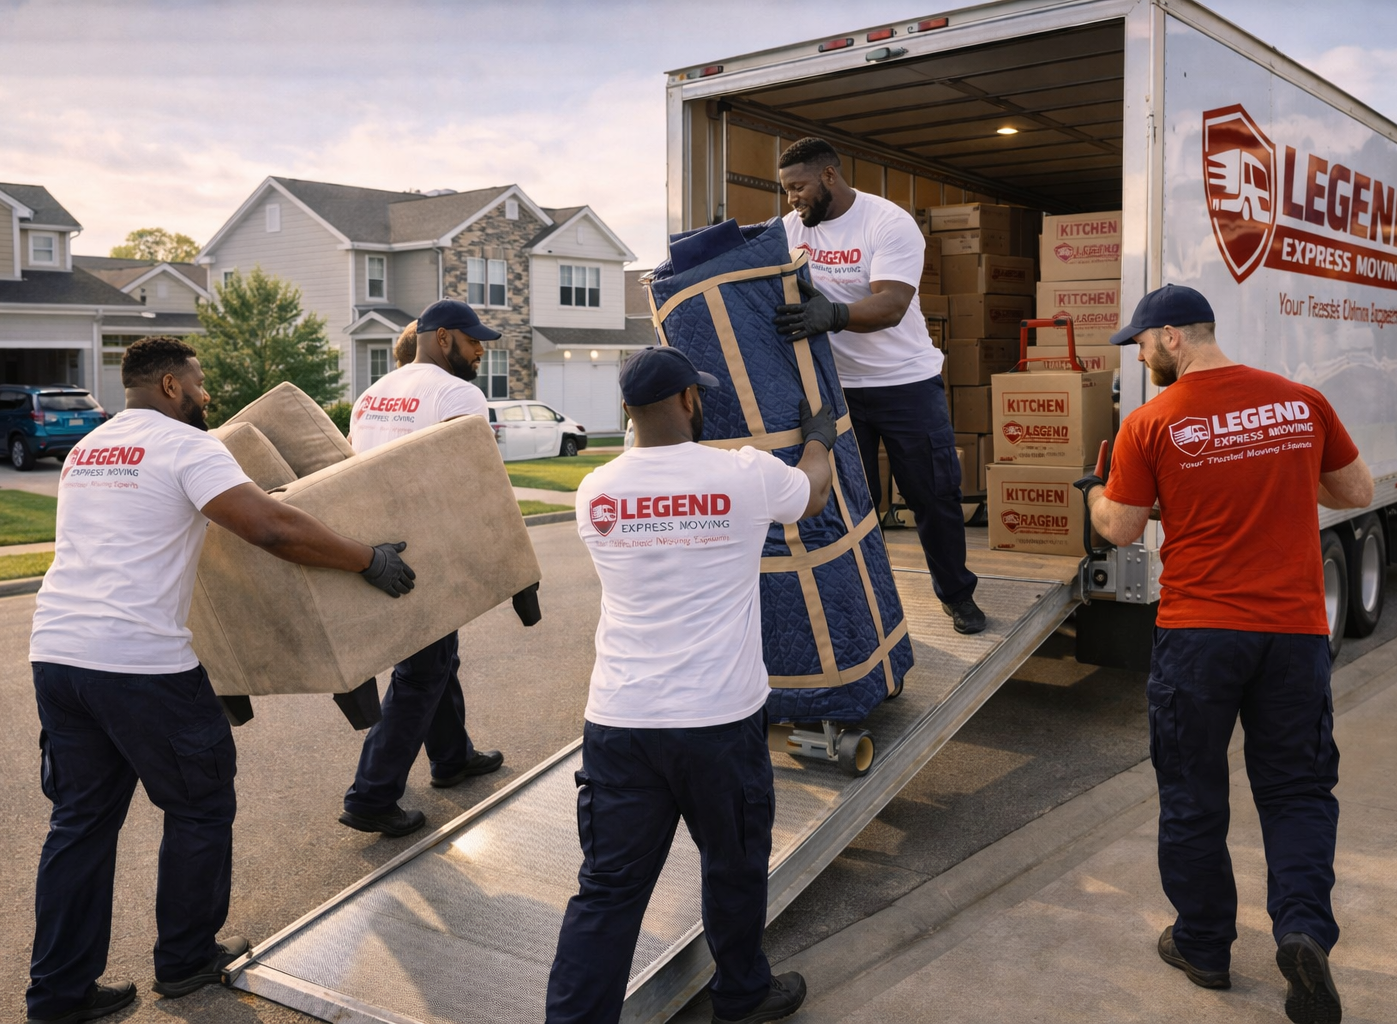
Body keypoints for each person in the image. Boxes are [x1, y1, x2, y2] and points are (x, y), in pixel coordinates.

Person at [26, 336, 415, 1024]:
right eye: (201, 383)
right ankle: (185, 960)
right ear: (173, 386)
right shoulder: (186, 444)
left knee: (81, 823)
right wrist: (364, 558)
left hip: (58, 654)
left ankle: (59, 994)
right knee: (200, 803)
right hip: (140, 662)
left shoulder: (89, 448)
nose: (208, 397)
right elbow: (267, 526)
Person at [1077, 285, 1373, 1024]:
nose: (1140, 358)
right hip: (1295, 632)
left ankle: (1205, 946)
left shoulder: (1152, 422)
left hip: (1200, 635)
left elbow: (1119, 530)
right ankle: (1302, 928)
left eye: (1141, 345)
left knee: (1192, 789)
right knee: (1298, 791)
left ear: (1172, 336)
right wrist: (1276, 479)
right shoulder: (1300, 402)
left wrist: (1092, 491)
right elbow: (1355, 488)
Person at [545, 346, 833, 1024]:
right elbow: (812, 495)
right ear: (690, 400)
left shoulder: (596, 491)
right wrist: (819, 437)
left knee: (608, 891)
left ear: (627, 411)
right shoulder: (744, 476)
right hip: (718, 722)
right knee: (732, 866)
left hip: (621, 722)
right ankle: (741, 996)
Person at [774, 137, 984, 634]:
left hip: (905, 383)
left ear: (829, 176)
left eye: (798, 187)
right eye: (785, 191)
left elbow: (890, 305)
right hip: (838, 390)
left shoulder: (887, 222)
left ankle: (957, 596)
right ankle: (865, 611)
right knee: (851, 504)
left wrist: (835, 314)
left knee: (932, 496)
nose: (792, 200)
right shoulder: (788, 230)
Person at [338, 300, 507, 839]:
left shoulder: (372, 393)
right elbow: (471, 479)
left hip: (380, 550)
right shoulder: (458, 393)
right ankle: (371, 795)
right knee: (422, 672)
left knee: (437, 658)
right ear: (440, 338)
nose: (481, 349)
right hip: (430, 550)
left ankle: (452, 757)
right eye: (473, 339)